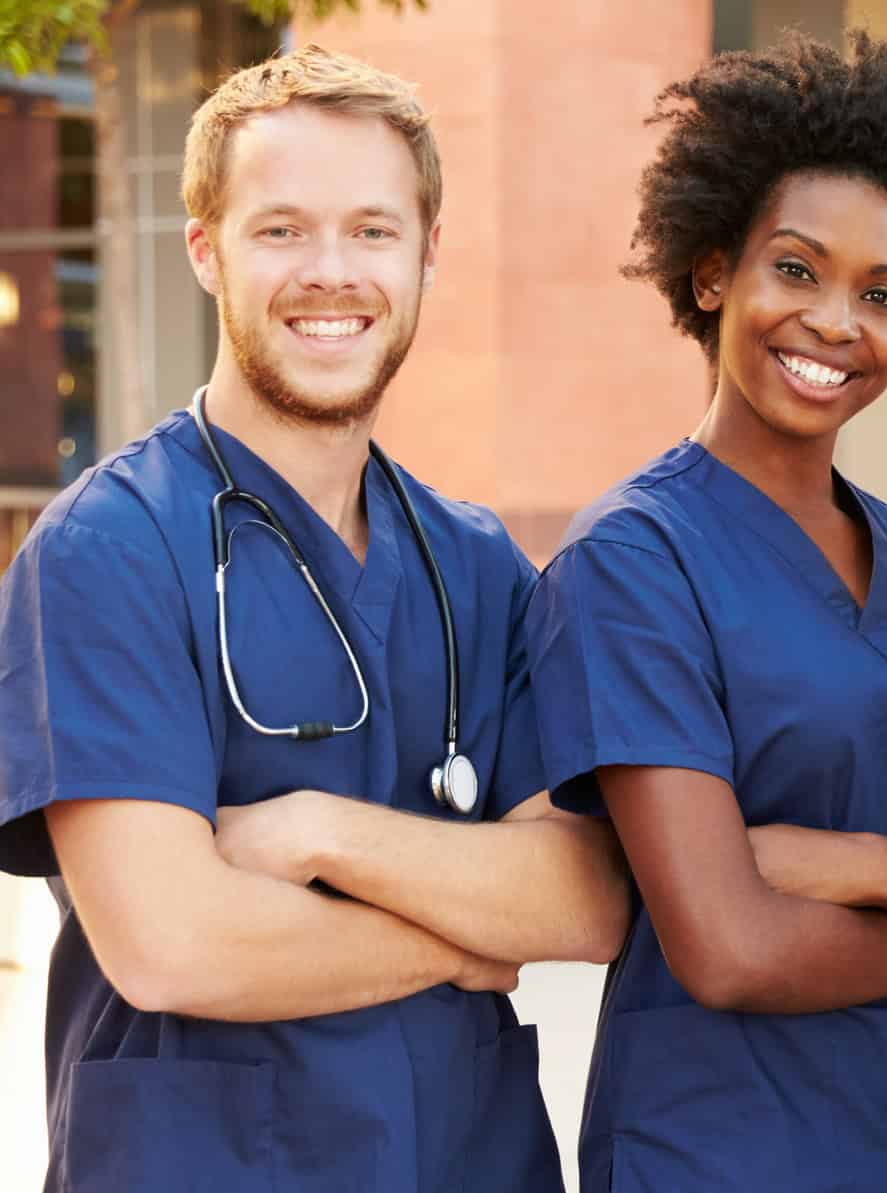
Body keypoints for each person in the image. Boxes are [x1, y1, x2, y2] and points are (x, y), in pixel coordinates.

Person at [0, 46, 631, 1193]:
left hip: (467, 1158)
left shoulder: (476, 563)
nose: (330, 273)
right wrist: (468, 932)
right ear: (207, 250)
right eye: (281, 229)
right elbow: (172, 940)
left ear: (429, 253)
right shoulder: (109, 549)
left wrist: (315, 831)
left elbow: (585, 897)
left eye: (373, 231)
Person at [522, 32, 887, 1193]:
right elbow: (730, 948)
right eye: (795, 269)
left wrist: (874, 868)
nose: (836, 322)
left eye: (883, 293)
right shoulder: (634, 560)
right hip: (718, 1150)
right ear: (715, 276)